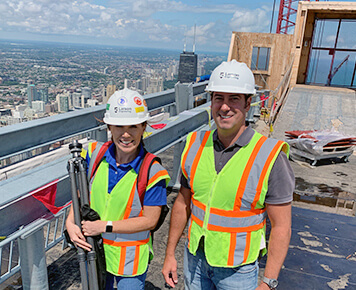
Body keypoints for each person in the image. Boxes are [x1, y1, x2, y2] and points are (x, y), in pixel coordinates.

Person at [162, 60, 294, 290]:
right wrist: (170, 254)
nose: (224, 107)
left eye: (234, 98)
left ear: (248, 103)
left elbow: (281, 226)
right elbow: (183, 203)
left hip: (238, 271)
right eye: (218, 98)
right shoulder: (194, 145)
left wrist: (268, 282)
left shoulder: (270, 157)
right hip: (195, 260)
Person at [66, 88, 170, 290]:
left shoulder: (152, 171)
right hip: (95, 250)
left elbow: (150, 220)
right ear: (109, 127)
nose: (125, 134)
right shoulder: (94, 154)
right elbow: (80, 192)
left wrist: (104, 226)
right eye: (119, 126)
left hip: (129, 259)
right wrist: (71, 222)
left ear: (143, 127)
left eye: (133, 126)